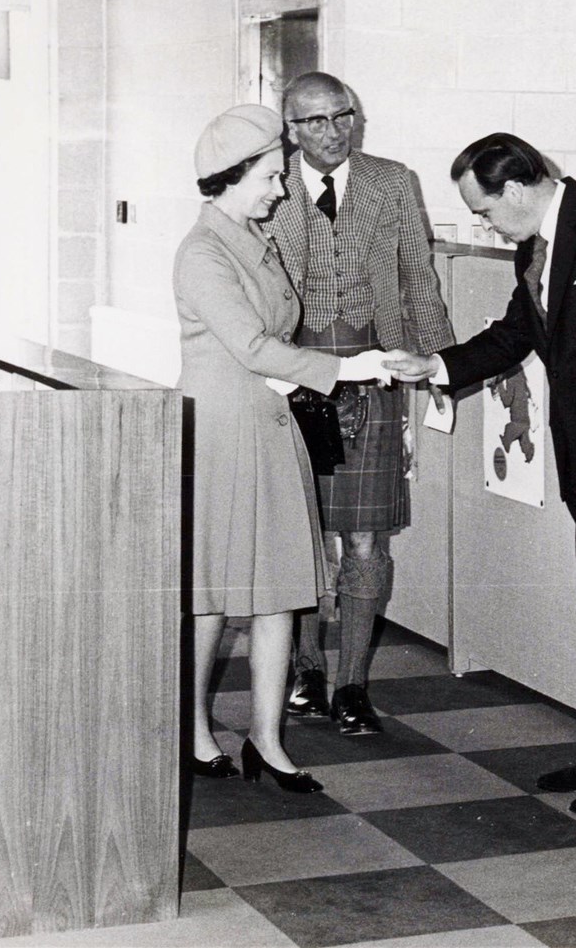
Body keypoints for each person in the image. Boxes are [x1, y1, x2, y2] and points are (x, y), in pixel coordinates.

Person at [383, 133, 576, 815]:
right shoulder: (537, 245)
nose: (483, 225)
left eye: (485, 211)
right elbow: (516, 333)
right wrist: (436, 367)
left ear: (520, 191)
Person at [174, 104, 392, 791]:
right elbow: (246, 343)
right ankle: (193, 728)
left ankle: (267, 740)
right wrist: (349, 367)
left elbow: (273, 343)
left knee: (279, 591)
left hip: (272, 424)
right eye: (271, 176)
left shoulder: (253, 237)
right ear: (232, 178)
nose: (281, 189)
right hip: (222, 432)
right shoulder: (203, 252)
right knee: (210, 592)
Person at [268, 72, 455, 735]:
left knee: (366, 540)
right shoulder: (267, 186)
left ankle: (352, 685)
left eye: (341, 115)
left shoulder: (393, 182)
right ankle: (305, 671)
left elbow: (418, 279)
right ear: (289, 128)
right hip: (291, 382)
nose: (331, 130)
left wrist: (441, 368)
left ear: (356, 116)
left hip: (374, 378)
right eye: (313, 121)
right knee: (299, 536)